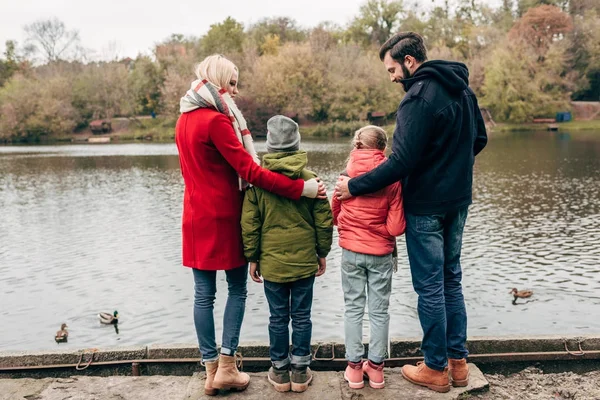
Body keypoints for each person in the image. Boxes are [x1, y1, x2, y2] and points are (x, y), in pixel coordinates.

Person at [335, 32, 488, 393]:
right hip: (458, 202)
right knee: (452, 279)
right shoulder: (464, 91)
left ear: (409, 61)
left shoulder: (417, 100)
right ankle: (458, 363)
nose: (391, 77)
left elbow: (400, 163)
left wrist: (352, 187)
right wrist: (452, 169)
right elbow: (478, 140)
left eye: (391, 69)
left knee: (431, 286)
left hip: (426, 208)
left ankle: (435, 367)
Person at [175, 55, 326, 396]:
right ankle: (226, 367)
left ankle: (210, 371)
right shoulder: (216, 121)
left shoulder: (183, 119)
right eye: (232, 83)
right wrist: (303, 188)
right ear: (218, 81)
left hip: (194, 216)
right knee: (238, 290)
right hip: (225, 216)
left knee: (203, 295)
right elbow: (251, 172)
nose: (236, 91)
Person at [241, 115, 333, 393]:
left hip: (273, 265)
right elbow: (324, 221)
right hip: (304, 262)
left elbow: (250, 225)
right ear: (297, 144)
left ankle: (280, 371)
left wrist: (253, 258)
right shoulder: (311, 181)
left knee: (278, 317)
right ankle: (301, 372)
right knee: (302, 316)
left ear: (269, 146)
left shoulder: (258, 183)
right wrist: (321, 252)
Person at [331, 125, 405, 390]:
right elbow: (397, 228)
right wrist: (380, 232)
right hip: (380, 254)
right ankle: (375, 370)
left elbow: (334, 215)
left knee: (353, 308)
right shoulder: (392, 179)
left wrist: (352, 228)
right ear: (383, 149)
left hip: (351, 252)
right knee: (379, 311)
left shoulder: (345, 176)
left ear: (356, 145)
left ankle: (353, 370)